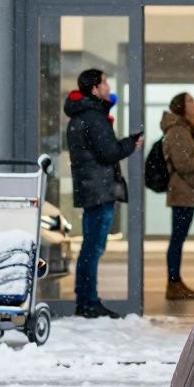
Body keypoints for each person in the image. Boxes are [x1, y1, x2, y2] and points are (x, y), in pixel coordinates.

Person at [65, 69, 143, 319]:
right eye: (104, 82)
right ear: (95, 89)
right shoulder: (93, 116)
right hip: (99, 190)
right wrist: (130, 144)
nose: (108, 86)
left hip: (90, 188)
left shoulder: (81, 115)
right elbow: (108, 152)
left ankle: (85, 299)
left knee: (90, 246)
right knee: (94, 247)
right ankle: (89, 301)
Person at [161, 92, 194, 300]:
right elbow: (183, 165)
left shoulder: (187, 129)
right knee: (177, 239)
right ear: (181, 106)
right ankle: (173, 283)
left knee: (178, 238)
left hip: (186, 191)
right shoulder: (178, 130)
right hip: (182, 191)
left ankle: (176, 281)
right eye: (190, 101)